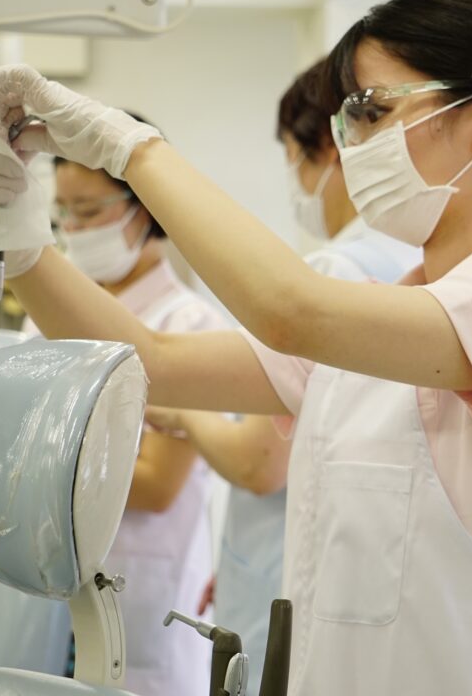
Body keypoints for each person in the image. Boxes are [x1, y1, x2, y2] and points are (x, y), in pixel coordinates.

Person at [0, 0, 472, 694]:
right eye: (348, 122)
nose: (352, 148)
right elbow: (152, 361)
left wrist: (131, 151)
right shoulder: (374, 322)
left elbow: (292, 312)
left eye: (373, 112)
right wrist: (20, 240)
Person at [144, 59, 420, 694]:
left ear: (330, 145)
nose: (295, 182)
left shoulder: (336, 273)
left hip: (294, 588)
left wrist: (183, 414)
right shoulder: (412, 261)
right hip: (339, 579)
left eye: (294, 159)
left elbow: (258, 463)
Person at [23, 118, 225, 696]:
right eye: (63, 212)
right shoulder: (48, 322)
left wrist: (34, 468)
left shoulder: (188, 324)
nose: (73, 229)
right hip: (46, 592)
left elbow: (158, 484)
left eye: (89, 211)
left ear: (146, 208)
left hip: (140, 592)